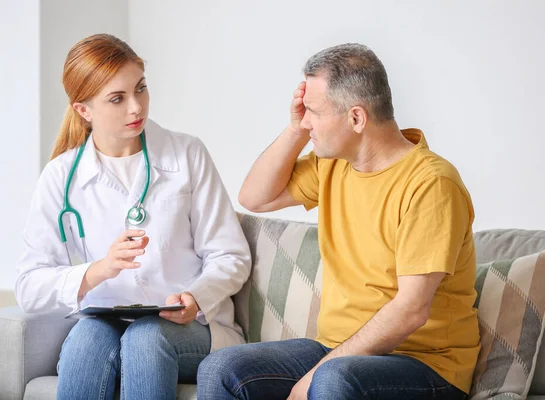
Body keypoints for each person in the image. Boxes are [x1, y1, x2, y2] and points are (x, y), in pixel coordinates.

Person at [197, 43, 480, 400]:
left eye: (313, 111)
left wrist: (312, 378)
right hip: (336, 349)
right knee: (220, 369)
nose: (306, 120)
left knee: (333, 380)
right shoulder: (333, 164)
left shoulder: (430, 184)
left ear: (356, 118)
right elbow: (255, 197)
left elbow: (411, 311)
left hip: (426, 365)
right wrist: (296, 130)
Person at [15, 34, 251, 400]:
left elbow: (231, 255)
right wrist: (98, 270)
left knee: (146, 336)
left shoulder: (187, 154)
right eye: (117, 98)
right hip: (107, 322)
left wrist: (196, 296)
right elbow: (29, 287)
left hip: (190, 327)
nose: (136, 107)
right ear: (83, 110)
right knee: (85, 341)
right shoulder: (60, 176)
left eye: (140, 89)